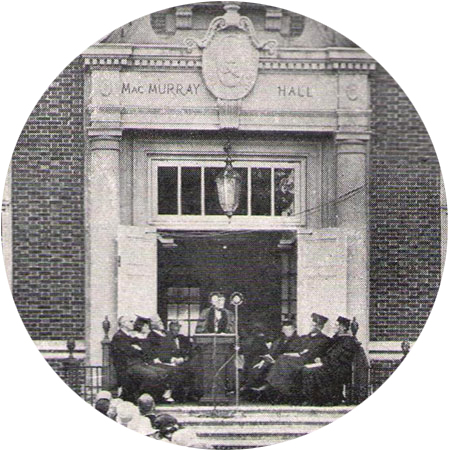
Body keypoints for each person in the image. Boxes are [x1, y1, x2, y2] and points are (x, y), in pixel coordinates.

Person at [263, 313, 332, 399]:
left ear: (319, 326)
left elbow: (311, 355)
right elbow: (299, 350)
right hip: (300, 359)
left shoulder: (324, 339)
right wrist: (291, 354)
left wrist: (299, 354)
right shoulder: (305, 338)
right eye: (311, 324)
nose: (310, 327)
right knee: (283, 358)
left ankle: (272, 385)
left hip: (308, 361)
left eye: (313, 325)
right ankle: (275, 386)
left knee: (283, 360)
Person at [301, 316, 362, 405]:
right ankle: (313, 398)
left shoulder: (347, 341)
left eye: (337, 325)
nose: (334, 327)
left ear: (343, 327)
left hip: (339, 369)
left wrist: (322, 361)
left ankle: (322, 399)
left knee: (311, 371)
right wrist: (321, 359)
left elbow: (338, 357)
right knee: (306, 369)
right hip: (331, 365)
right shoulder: (337, 339)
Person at [110, 315, 170, 402]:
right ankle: (141, 399)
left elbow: (142, 349)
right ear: (123, 324)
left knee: (163, 372)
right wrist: (135, 348)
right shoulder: (118, 336)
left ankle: (156, 397)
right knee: (151, 375)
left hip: (138, 364)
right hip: (127, 366)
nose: (133, 323)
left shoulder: (130, 336)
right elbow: (130, 351)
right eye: (130, 321)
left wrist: (137, 347)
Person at [245, 320, 303, 392]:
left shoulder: (299, 341)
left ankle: (265, 386)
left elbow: (297, 355)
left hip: (286, 363)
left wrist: (277, 360)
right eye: (285, 330)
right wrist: (263, 361)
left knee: (274, 367)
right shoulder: (279, 341)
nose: (286, 332)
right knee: (257, 364)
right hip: (273, 361)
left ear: (294, 329)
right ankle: (248, 386)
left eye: (289, 330)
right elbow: (271, 353)